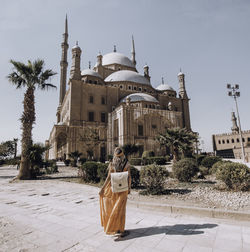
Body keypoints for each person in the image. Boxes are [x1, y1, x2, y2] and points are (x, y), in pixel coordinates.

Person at [99, 147, 131, 237]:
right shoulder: (127, 163)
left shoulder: (112, 164)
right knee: (121, 210)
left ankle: (114, 227)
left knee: (114, 208)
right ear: (122, 154)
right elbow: (129, 177)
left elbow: (108, 177)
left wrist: (102, 188)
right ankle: (120, 229)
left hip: (113, 188)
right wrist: (129, 188)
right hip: (123, 189)